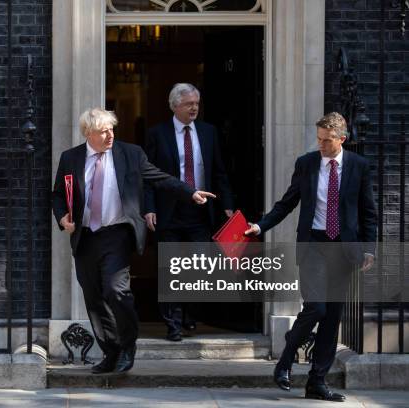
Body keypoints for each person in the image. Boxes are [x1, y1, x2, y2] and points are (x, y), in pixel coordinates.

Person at [52, 108, 216, 374]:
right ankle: (111, 351)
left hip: (117, 234)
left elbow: (160, 178)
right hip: (85, 238)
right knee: (94, 299)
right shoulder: (71, 158)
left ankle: (128, 345)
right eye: (103, 131)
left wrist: (190, 192)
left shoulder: (130, 154)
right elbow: (58, 195)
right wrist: (62, 219)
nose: (110, 135)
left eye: (112, 129)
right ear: (88, 133)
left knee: (117, 291)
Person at [245, 112, 376, 402]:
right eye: (318, 139)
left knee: (332, 320)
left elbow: (368, 211)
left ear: (342, 139)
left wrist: (369, 248)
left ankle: (317, 382)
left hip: (343, 250)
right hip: (314, 245)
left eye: (327, 141)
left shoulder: (359, 166)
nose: (321, 145)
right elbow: (287, 202)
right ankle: (285, 361)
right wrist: (260, 225)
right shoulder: (306, 164)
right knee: (316, 308)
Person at [144, 83, 234, 341]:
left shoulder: (208, 132)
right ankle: (172, 323)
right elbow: (147, 175)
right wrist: (148, 207)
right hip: (168, 210)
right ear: (174, 106)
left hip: (201, 211)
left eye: (196, 103)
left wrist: (226, 204)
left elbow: (219, 170)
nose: (194, 107)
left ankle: (188, 315)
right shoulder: (157, 134)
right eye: (188, 104)